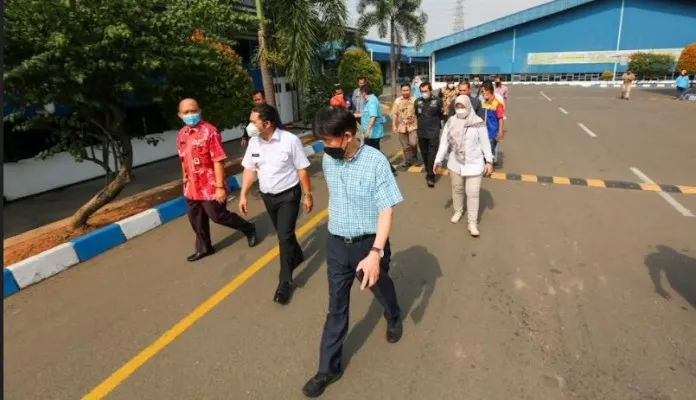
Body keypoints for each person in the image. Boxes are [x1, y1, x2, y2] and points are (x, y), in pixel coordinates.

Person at [302, 106, 403, 398]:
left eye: (328, 141)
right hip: (336, 245)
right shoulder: (329, 162)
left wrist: (375, 252)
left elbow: (386, 209)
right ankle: (328, 369)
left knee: (380, 286)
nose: (324, 147)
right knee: (336, 307)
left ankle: (393, 315)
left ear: (347, 136)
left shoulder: (375, 162)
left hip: (368, 244)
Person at [239, 104, 313, 305]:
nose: (250, 126)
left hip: (289, 194)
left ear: (267, 123)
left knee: (284, 236)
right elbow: (249, 170)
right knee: (284, 232)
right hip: (268, 196)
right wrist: (243, 194)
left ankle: (285, 281)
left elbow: (302, 170)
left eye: (254, 122)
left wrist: (307, 195)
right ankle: (296, 254)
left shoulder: (290, 141)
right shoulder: (254, 143)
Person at [176, 98, 258, 262]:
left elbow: (218, 160)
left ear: (200, 111)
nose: (190, 115)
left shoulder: (209, 131)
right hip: (191, 186)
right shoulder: (181, 135)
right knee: (196, 219)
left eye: (193, 111)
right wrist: (184, 178)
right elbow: (183, 160)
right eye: (186, 112)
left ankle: (248, 228)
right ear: (180, 115)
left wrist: (220, 187)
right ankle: (205, 247)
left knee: (218, 216)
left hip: (210, 185)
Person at [434, 95, 494, 237]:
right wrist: (437, 160)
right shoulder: (451, 122)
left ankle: (472, 223)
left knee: (473, 193)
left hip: (474, 163)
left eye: (463, 106)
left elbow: (485, 143)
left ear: (468, 106)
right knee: (457, 189)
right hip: (455, 163)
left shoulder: (478, 122)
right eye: (458, 107)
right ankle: (458, 211)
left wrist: (489, 161)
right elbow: (444, 143)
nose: (460, 109)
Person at [360, 84, 396, 174]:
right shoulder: (372, 100)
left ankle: (389, 169)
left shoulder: (371, 101)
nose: (361, 96)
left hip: (372, 133)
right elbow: (368, 115)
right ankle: (388, 169)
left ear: (364, 93)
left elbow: (373, 117)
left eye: (361, 94)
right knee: (374, 152)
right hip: (372, 132)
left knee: (374, 153)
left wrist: (367, 130)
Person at [414, 82, 444, 188]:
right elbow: (417, 115)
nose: (424, 93)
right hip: (422, 132)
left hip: (433, 132)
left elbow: (441, 115)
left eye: (426, 91)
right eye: (422, 91)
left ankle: (431, 176)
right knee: (425, 154)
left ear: (430, 90)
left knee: (432, 154)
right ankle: (428, 171)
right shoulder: (417, 102)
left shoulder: (438, 101)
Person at [391, 83, 419, 169]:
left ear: (410, 90)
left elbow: (419, 113)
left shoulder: (415, 100)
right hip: (402, 126)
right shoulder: (397, 101)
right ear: (401, 91)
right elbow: (394, 114)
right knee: (405, 145)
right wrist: (394, 125)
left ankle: (415, 156)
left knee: (413, 143)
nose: (405, 92)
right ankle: (408, 161)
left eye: (407, 90)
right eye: (403, 90)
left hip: (413, 126)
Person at [481, 81, 505, 165]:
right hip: (484, 130)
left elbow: (500, 118)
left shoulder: (498, 103)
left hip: (492, 131)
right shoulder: (484, 102)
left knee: (491, 149)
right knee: (483, 148)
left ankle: (490, 165)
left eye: (483, 91)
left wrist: (500, 131)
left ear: (488, 91)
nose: (482, 94)